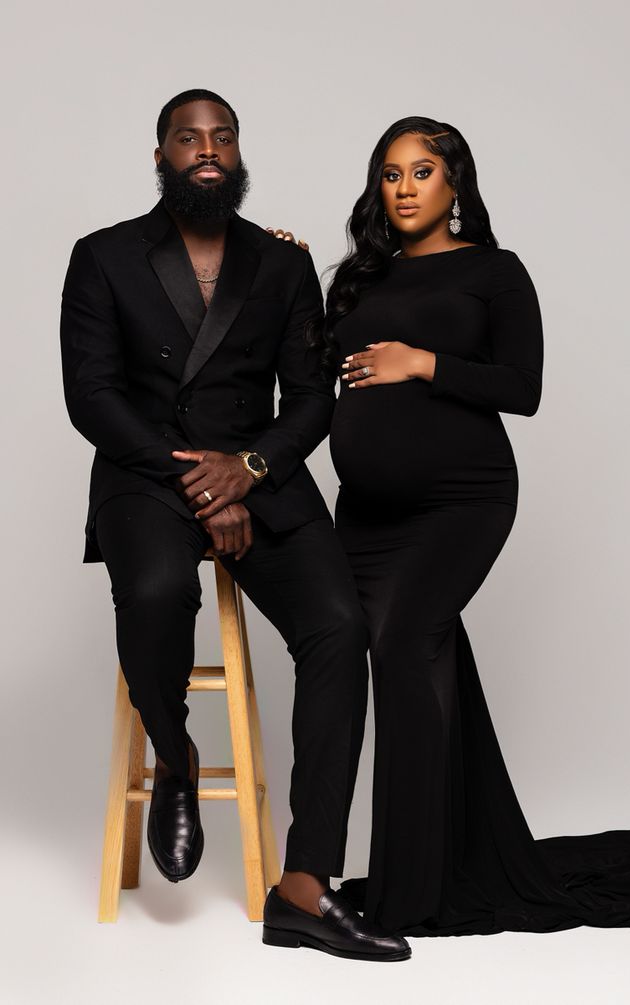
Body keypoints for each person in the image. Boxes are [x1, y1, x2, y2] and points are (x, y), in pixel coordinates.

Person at [322, 115, 630, 936]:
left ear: (455, 185)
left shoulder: (495, 271)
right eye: (390, 174)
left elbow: (523, 385)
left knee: (403, 649)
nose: (403, 188)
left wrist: (421, 361)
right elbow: (308, 369)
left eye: (421, 172)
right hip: (365, 513)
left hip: (460, 500)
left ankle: (413, 893)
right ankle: (447, 861)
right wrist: (276, 263)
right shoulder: (359, 280)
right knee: (414, 660)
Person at [60, 88, 410, 962]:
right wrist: (198, 488)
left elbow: (311, 397)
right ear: (161, 156)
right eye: (188, 138)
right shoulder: (101, 257)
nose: (206, 150)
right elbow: (92, 397)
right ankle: (174, 758)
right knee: (153, 585)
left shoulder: (282, 265)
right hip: (149, 476)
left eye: (221, 137)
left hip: (260, 479)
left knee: (338, 626)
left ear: (238, 151)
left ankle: (304, 885)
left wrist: (246, 475)